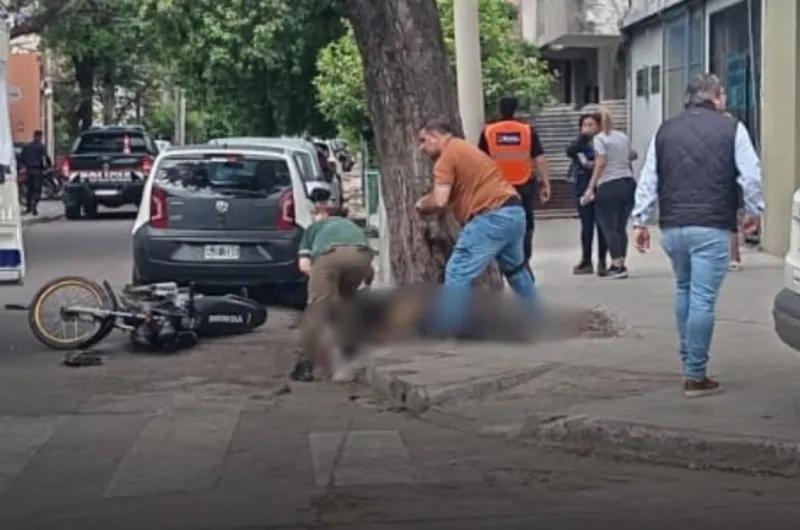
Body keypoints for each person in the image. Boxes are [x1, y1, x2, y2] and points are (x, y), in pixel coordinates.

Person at [632, 73, 764, 399]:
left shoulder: (665, 130)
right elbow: (750, 175)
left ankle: (688, 360)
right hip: (711, 226)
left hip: (673, 226)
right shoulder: (732, 128)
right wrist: (753, 212)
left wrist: (640, 220)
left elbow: (649, 176)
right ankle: (695, 375)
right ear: (717, 97)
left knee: (684, 289)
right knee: (703, 298)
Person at [416, 118, 537, 336]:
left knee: (457, 270)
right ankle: (536, 316)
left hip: (490, 217)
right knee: (516, 270)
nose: (421, 147)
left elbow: (440, 200)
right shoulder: (465, 149)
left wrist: (422, 204)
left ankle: (448, 326)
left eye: (423, 141)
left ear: (435, 136)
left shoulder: (447, 158)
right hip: (514, 212)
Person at [290, 189, 374, 383]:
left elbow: (304, 266)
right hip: (361, 255)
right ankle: (345, 364)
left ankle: (305, 365)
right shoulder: (351, 226)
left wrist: (323, 283)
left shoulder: (313, 229)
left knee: (318, 310)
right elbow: (368, 269)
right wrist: (366, 284)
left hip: (329, 256)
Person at [478, 96, 552, 264]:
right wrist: (546, 182)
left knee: (497, 222)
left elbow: (480, 159)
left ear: (499, 109)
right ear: (516, 109)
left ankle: (501, 261)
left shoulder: (489, 131)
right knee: (526, 222)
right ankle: (524, 260)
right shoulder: (527, 130)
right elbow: (539, 158)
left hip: (497, 186)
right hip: (523, 183)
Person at [580, 108, 637, 279]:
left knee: (609, 227)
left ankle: (616, 265)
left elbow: (601, 162)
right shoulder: (622, 136)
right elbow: (632, 155)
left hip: (609, 185)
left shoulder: (599, 139)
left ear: (598, 124)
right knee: (621, 227)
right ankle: (622, 262)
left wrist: (591, 187)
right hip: (628, 183)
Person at [566, 112, 608, 276]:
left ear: (599, 126)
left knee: (602, 225)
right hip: (582, 185)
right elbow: (570, 151)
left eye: (591, 125)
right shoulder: (579, 143)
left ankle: (602, 260)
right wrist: (581, 141)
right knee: (586, 225)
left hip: (601, 185)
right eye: (584, 125)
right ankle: (586, 260)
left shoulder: (604, 142)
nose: (587, 128)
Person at [18, 130, 52, 216]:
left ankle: (28, 207)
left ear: (34, 136)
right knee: (37, 190)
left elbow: (21, 159)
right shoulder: (41, 146)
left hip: (28, 170)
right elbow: (46, 157)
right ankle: (34, 204)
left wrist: (22, 168)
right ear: (39, 136)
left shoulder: (27, 146)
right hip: (37, 170)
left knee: (30, 189)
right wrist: (49, 165)